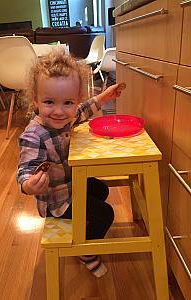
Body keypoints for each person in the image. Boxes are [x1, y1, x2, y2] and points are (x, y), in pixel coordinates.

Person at [17, 50, 124, 278]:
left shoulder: (67, 115)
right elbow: (25, 169)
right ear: (35, 100)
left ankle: (83, 224)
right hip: (57, 201)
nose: (58, 111)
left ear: (75, 101)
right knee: (105, 214)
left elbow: (84, 110)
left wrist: (104, 97)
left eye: (67, 102)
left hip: (71, 185)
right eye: (48, 102)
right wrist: (28, 184)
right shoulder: (34, 135)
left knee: (102, 189)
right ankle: (85, 252)